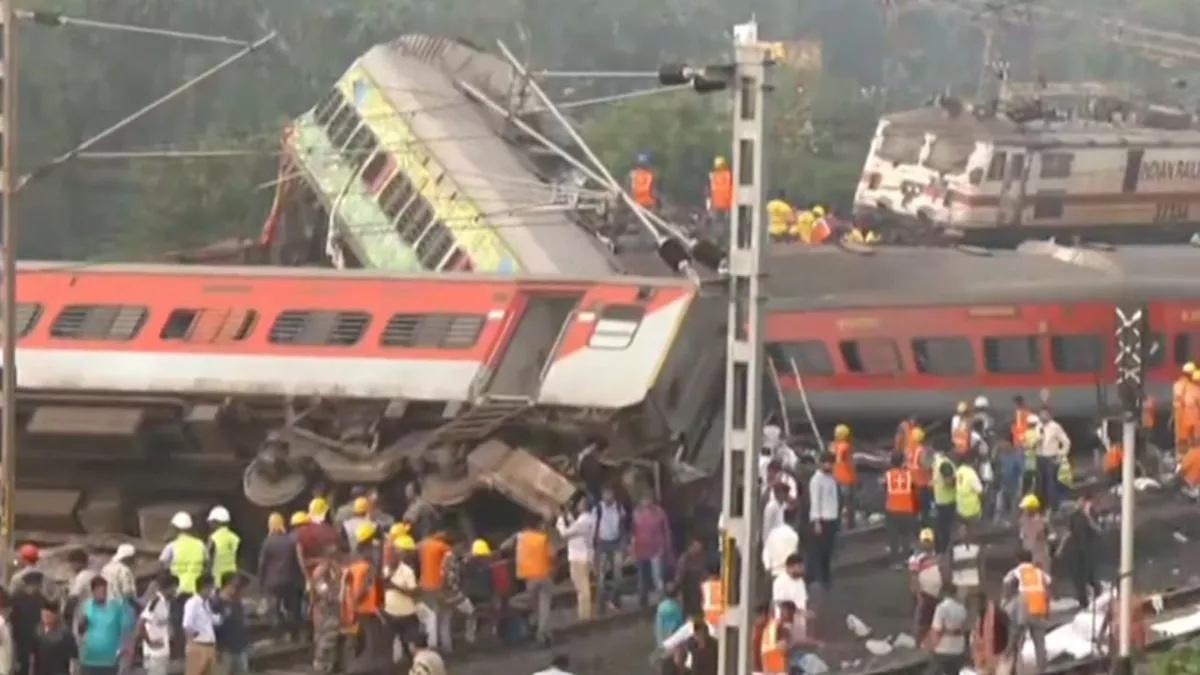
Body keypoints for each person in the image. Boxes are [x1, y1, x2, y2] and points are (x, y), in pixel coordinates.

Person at [1003, 550, 1050, 673]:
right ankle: (1042, 671)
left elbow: (1007, 584)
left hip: (1023, 611)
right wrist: (1047, 608)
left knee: (1015, 641)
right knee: (1040, 645)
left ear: (1018, 560)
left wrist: (1008, 601)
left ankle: (1013, 669)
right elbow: (1048, 586)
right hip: (1039, 610)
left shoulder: (1016, 572)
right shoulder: (1039, 572)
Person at [258, 512, 303, 640]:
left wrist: (261, 582)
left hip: (272, 582)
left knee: (275, 609)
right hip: (290, 580)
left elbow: (263, 564)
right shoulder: (290, 540)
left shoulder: (268, 542)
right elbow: (296, 561)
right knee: (292, 608)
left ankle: (278, 635)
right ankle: (294, 634)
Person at [77, 576, 133, 675]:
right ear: (93, 591)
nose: (102, 594)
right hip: (88, 660)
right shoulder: (85, 606)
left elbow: (125, 629)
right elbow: (80, 631)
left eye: (104, 591)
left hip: (109, 662)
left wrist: (124, 650)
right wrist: (82, 623)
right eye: (99, 591)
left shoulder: (116, 608)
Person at [1056, 488, 1103, 606]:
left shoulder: (1093, 515)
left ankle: (1098, 595)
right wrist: (1060, 548)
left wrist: (1088, 516)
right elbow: (1068, 532)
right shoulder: (1075, 515)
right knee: (1077, 578)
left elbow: (1098, 529)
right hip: (1075, 550)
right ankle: (1083, 602)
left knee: (1089, 576)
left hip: (1089, 550)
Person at [556, 500, 595, 620]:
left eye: (580, 503)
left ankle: (585, 615)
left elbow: (565, 533)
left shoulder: (583, 521)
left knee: (582, 587)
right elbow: (575, 526)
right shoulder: (588, 519)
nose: (577, 505)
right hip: (584, 555)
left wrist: (560, 521)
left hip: (579, 557)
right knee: (582, 585)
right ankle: (583, 612)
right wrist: (568, 515)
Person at [806, 452, 839, 591]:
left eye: (831, 463)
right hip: (822, 519)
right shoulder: (816, 480)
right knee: (818, 550)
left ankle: (825, 577)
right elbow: (815, 501)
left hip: (832, 518)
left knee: (828, 551)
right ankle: (816, 578)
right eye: (826, 463)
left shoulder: (831, 478)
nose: (829, 465)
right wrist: (816, 521)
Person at [632, 494, 672, 608]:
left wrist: (666, 546)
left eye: (647, 499)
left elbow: (666, 530)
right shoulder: (636, 513)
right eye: (643, 499)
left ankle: (661, 598)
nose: (645, 501)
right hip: (641, 547)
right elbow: (634, 531)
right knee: (642, 575)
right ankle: (643, 598)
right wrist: (633, 547)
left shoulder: (659, 513)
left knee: (656, 574)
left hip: (656, 547)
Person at [310, 545, 344, 675]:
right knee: (325, 639)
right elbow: (324, 592)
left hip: (332, 609)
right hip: (325, 609)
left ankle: (329, 666)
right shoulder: (321, 572)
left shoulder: (333, 570)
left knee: (331, 639)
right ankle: (321, 668)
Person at [924, 582, 969, 674]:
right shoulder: (962, 608)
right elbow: (965, 629)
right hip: (958, 649)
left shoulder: (941, 608)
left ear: (943, 593)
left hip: (943, 649)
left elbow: (936, 631)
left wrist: (929, 646)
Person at [137, 572, 177, 675]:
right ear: (169, 587)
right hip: (155, 654)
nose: (175, 591)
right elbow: (141, 624)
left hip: (162, 652)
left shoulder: (165, 602)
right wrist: (150, 642)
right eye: (174, 588)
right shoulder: (155, 602)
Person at [181, 574, 220, 675]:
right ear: (205, 587)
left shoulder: (206, 603)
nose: (212, 591)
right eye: (211, 588)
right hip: (198, 646)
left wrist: (223, 617)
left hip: (209, 646)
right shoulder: (192, 603)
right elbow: (187, 624)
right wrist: (194, 635)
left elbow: (210, 618)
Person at [212, 573, 249, 675]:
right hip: (224, 650)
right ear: (226, 585)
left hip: (240, 648)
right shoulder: (216, 603)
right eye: (233, 585)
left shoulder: (237, 601)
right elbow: (213, 627)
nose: (236, 588)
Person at [884, 452, 918, 558]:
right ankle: (906, 557)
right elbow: (914, 489)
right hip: (907, 508)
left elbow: (884, 489)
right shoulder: (909, 475)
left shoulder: (887, 475)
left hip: (892, 509)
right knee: (906, 535)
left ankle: (895, 561)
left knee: (893, 536)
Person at [970, 592, 1011, 675]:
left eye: (978, 604)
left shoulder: (998, 613)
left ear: (984, 602)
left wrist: (1007, 649)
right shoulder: (981, 615)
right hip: (983, 656)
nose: (977, 607)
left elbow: (1008, 630)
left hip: (997, 653)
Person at [32, 603, 74, 675]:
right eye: (43, 615)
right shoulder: (38, 630)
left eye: (48, 615)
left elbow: (72, 653)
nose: (45, 618)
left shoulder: (64, 632)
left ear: (55, 615)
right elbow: (34, 653)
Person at [830, 424, 857, 530]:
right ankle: (850, 526)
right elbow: (850, 463)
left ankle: (837, 525)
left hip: (835, 477)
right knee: (849, 503)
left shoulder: (832, 446)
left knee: (838, 503)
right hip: (846, 477)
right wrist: (855, 476)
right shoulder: (846, 447)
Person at [206, 506, 240, 583]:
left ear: (216, 522)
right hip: (232, 572)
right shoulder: (234, 537)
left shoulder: (213, 537)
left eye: (211, 522)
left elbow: (208, 556)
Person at [1018, 494, 1050, 571]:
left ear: (1033, 508)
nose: (1025, 510)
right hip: (1027, 554)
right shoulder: (1023, 521)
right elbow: (1022, 536)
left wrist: (1044, 536)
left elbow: (1049, 535)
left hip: (1039, 555)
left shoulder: (1041, 521)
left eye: (1026, 508)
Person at [770, 554, 808, 619]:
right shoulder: (780, 581)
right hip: (784, 620)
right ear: (790, 568)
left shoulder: (801, 582)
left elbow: (802, 603)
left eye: (802, 567)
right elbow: (780, 604)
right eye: (799, 567)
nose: (802, 569)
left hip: (799, 620)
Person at [707, 156, 732, 237]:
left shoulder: (712, 176)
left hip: (716, 205)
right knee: (726, 224)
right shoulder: (729, 176)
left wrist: (709, 206)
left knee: (717, 223)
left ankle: (717, 236)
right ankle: (724, 235)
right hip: (727, 205)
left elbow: (709, 192)